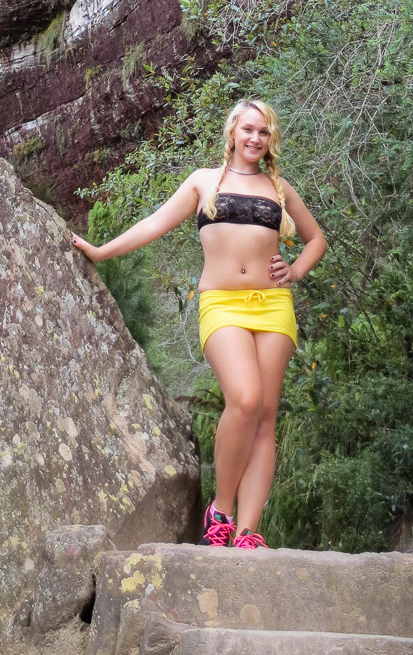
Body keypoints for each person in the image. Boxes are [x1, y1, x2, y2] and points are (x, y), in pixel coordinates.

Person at [71, 98, 326, 548]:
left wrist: (298, 269)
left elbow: (316, 238)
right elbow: (154, 223)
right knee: (245, 399)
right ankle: (221, 510)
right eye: (248, 129)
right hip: (221, 304)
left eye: (264, 132)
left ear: (270, 141)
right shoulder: (204, 183)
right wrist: (101, 250)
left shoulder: (280, 188)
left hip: (273, 307)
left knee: (266, 417)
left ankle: (248, 533)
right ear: (232, 133)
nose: (255, 138)